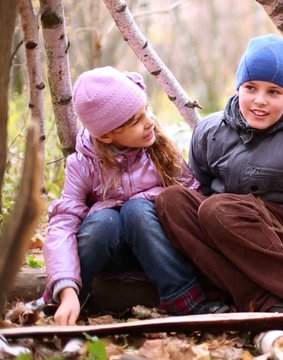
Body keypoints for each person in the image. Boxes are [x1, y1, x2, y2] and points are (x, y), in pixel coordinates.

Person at [156, 34, 283, 313]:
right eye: (251, 87)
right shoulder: (210, 131)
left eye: (273, 92)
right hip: (226, 231)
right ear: (238, 87)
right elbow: (199, 190)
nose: (259, 100)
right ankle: (261, 299)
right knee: (172, 200)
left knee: (218, 209)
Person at [43, 66, 228, 326]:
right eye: (135, 121)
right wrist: (65, 287)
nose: (149, 122)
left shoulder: (161, 150)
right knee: (104, 220)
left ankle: (186, 300)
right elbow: (63, 225)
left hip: (160, 250)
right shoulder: (82, 163)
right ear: (106, 135)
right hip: (112, 254)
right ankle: (70, 301)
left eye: (147, 111)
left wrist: (145, 199)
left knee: (137, 210)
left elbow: (190, 199)